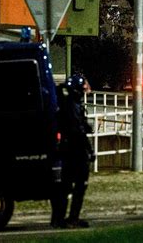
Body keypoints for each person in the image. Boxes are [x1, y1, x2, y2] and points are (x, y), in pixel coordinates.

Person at [50, 73, 96, 228]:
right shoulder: (72, 106)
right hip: (76, 152)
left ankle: (58, 219)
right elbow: (78, 132)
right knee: (78, 186)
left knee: (65, 186)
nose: (84, 93)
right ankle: (71, 218)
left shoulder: (66, 103)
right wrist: (90, 151)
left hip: (68, 150)